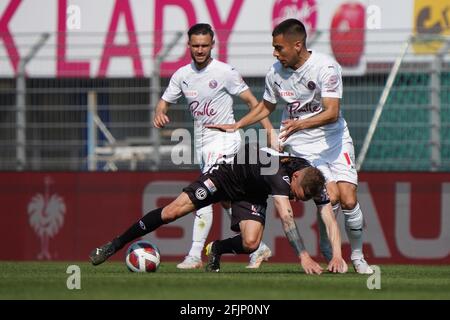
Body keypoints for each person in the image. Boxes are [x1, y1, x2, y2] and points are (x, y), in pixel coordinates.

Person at [206, 19, 373, 274]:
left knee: (349, 198)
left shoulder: (326, 67)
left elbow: (332, 112)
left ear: (297, 45)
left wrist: (301, 124)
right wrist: (237, 124)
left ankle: (359, 257)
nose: (275, 53)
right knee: (333, 195)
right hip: (302, 148)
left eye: (279, 47)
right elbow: (266, 107)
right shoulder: (275, 73)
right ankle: (330, 247)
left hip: (334, 140)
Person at [89, 144, 347, 274]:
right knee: (171, 213)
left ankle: (217, 249)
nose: (294, 199)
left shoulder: (314, 177)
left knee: (250, 243)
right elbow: (287, 218)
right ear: (298, 177)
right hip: (225, 177)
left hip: (252, 192)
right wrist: (303, 256)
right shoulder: (281, 178)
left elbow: (328, 216)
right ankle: (115, 244)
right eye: (296, 194)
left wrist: (337, 254)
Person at [152, 23, 272, 269]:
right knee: (226, 200)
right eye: (195, 45)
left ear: (212, 45)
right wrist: (159, 113)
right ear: (188, 46)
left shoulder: (225, 72)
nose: (200, 50)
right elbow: (163, 103)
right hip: (203, 145)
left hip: (225, 143)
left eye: (204, 45)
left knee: (203, 195)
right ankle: (258, 248)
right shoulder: (182, 76)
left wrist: (270, 130)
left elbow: (253, 102)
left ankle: (195, 255)